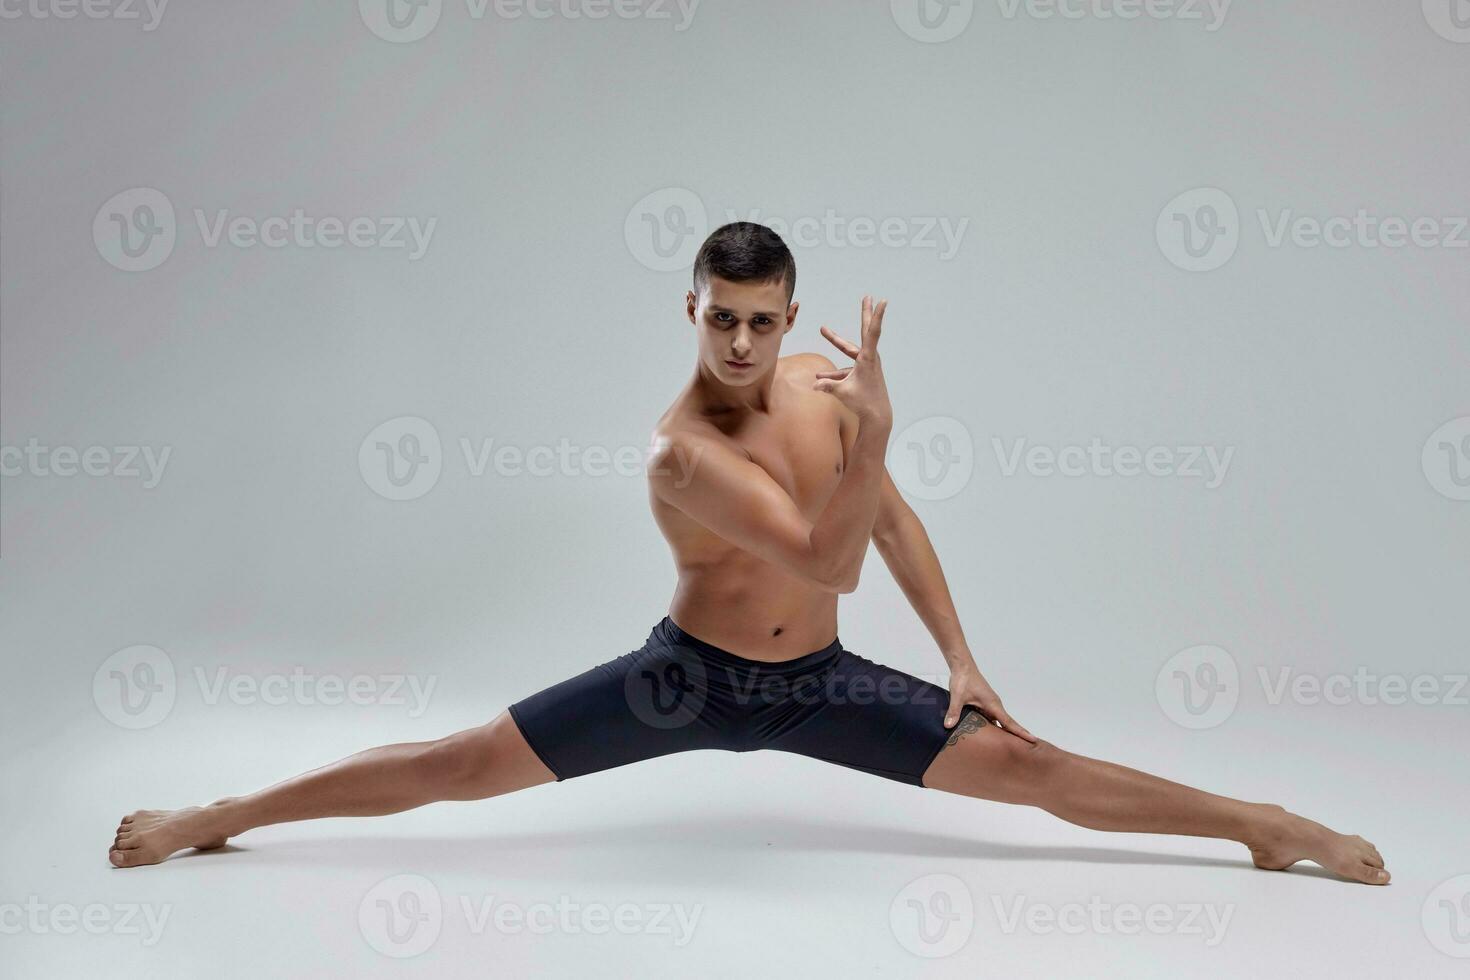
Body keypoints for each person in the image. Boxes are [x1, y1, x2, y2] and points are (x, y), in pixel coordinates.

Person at [108, 222, 1389, 885]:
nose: (739, 344)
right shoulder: (680, 449)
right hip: (685, 682)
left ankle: (1264, 828)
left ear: (789, 313)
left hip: (822, 683)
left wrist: (960, 652)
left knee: (1036, 770)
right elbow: (823, 555)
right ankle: (214, 818)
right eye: (720, 319)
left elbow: (882, 527)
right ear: (693, 308)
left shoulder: (826, 398)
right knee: (456, 762)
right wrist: (882, 427)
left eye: (762, 321)